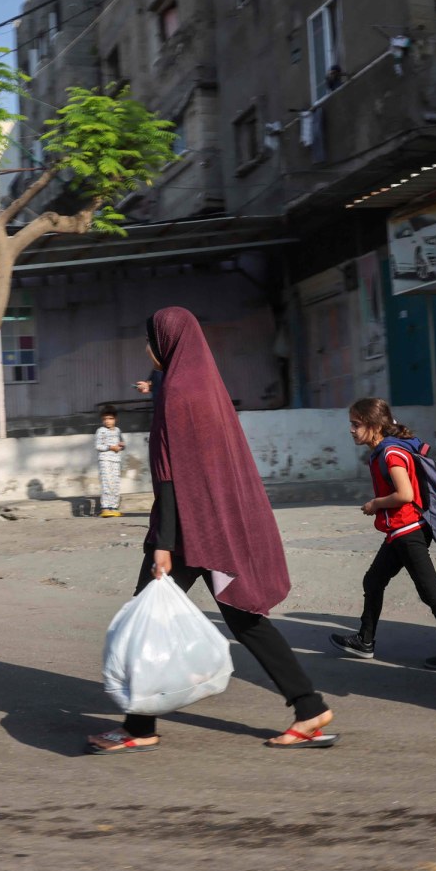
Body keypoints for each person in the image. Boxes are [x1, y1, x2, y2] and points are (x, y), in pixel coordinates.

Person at [86, 307, 336, 753]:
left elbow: (169, 473)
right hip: (214, 523)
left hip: (185, 528)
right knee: (244, 620)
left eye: (151, 340)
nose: (148, 349)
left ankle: (139, 728)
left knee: (150, 616)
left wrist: (163, 543)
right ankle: (308, 706)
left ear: (168, 341)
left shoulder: (177, 390)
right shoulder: (203, 385)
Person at [329, 398, 436, 670]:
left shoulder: (391, 454)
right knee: (373, 580)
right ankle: (365, 641)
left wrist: (376, 504)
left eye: (355, 424)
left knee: (430, 592)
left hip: (409, 531)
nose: (351, 430)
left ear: (372, 425)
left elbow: (404, 494)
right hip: (399, 531)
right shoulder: (386, 451)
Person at [94, 406, 125, 518]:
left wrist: (122, 446)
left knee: (115, 483)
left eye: (110, 418)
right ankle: (105, 508)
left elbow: (122, 444)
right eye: (105, 419)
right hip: (105, 460)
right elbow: (98, 446)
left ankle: (114, 507)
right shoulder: (100, 431)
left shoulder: (118, 431)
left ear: (115, 419)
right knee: (107, 483)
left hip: (116, 460)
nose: (107, 421)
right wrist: (111, 447)